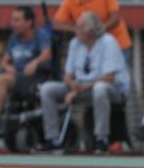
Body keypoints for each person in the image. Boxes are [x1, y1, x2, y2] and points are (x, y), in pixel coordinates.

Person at [38, 12, 131, 153]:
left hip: (113, 91)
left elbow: (109, 78)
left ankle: (102, 139)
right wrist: (72, 85)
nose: (76, 30)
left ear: (92, 30)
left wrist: (78, 90)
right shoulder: (75, 43)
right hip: (81, 89)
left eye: (80, 27)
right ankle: (53, 139)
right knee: (47, 89)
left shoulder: (108, 42)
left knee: (100, 88)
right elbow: (67, 75)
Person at [0, 6, 52, 132]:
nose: (13, 23)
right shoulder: (14, 37)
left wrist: (35, 62)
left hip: (30, 77)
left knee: (2, 79)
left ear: (29, 22)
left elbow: (47, 54)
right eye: (12, 20)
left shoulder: (40, 35)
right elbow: (4, 61)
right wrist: (8, 67)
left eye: (17, 20)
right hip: (14, 74)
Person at [53, 0, 133, 65]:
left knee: (121, 80)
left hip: (118, 45)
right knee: (98, 80)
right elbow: (56, 24)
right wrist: (78, 30)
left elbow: (115, 18)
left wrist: (97, 30)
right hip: (93, 49)